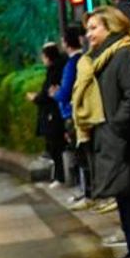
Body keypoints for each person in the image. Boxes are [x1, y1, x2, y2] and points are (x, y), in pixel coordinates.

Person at [74, 5, 130, 258]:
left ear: (111, 26)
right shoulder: (97, 59)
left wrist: (118, 124)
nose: (89, 34)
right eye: (87, 29)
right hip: (108, 136)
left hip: (123, 137)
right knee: (123, 196)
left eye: (94, 27)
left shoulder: (122, 53)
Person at [54, 25, 91, 207]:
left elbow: (66, 91)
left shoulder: (72, 64)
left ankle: (87, 193)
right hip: (78, 112)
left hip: (73, 113)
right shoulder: (83, 60)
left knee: (81, 155)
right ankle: (86, 191)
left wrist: (56, 93)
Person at [33, 42, 67, 184]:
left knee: (55, 145)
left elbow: (49, 93)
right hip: (54, 112)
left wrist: (36, 98)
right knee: (55, 146)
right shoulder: (59, 68)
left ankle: (60, 176)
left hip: (53, 114)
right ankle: (58, 176)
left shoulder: (55, 71)